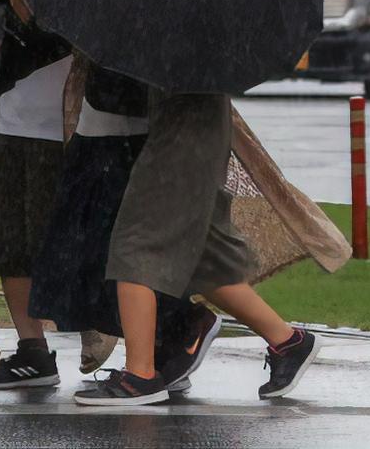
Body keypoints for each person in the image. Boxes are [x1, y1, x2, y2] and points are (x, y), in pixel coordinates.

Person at [74, 89, 321, 406]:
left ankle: (140, 377)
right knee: (205, 256)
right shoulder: (198, 53)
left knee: (136, 245)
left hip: (181, 136)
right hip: (192, 130)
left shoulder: (182, 48)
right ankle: (288, 342)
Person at [29, 60, 220, 391]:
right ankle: (162, 349)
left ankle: (157, 356)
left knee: (130, 253)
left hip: (128, 136)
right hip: (114, 130)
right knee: (114, 255)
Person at [0, 0, 72, 390]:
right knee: (9, 241)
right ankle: (33, 350)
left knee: (67, 244)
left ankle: (157, 342)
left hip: (62, 125)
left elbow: (34, 19)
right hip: (12, 117)